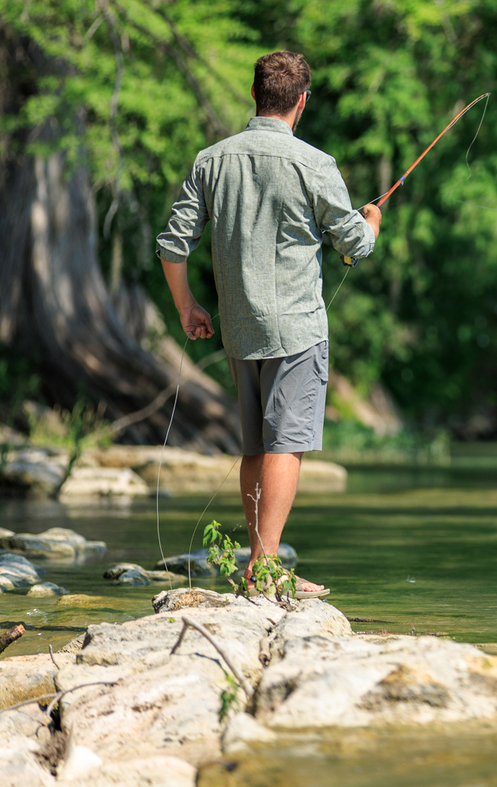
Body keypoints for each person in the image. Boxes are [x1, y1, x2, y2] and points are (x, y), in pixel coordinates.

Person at [156, 50, 381, 598]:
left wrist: (187, 307)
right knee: (286, 445)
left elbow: (171, 244)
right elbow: (356, 244)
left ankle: (259, 562)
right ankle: (267, 567)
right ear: (301, 101)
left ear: (254, 95)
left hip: (238, 329)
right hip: (297, 330)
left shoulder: (213, 159)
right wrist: (372, 221)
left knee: (256, 447)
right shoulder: (316, 163)